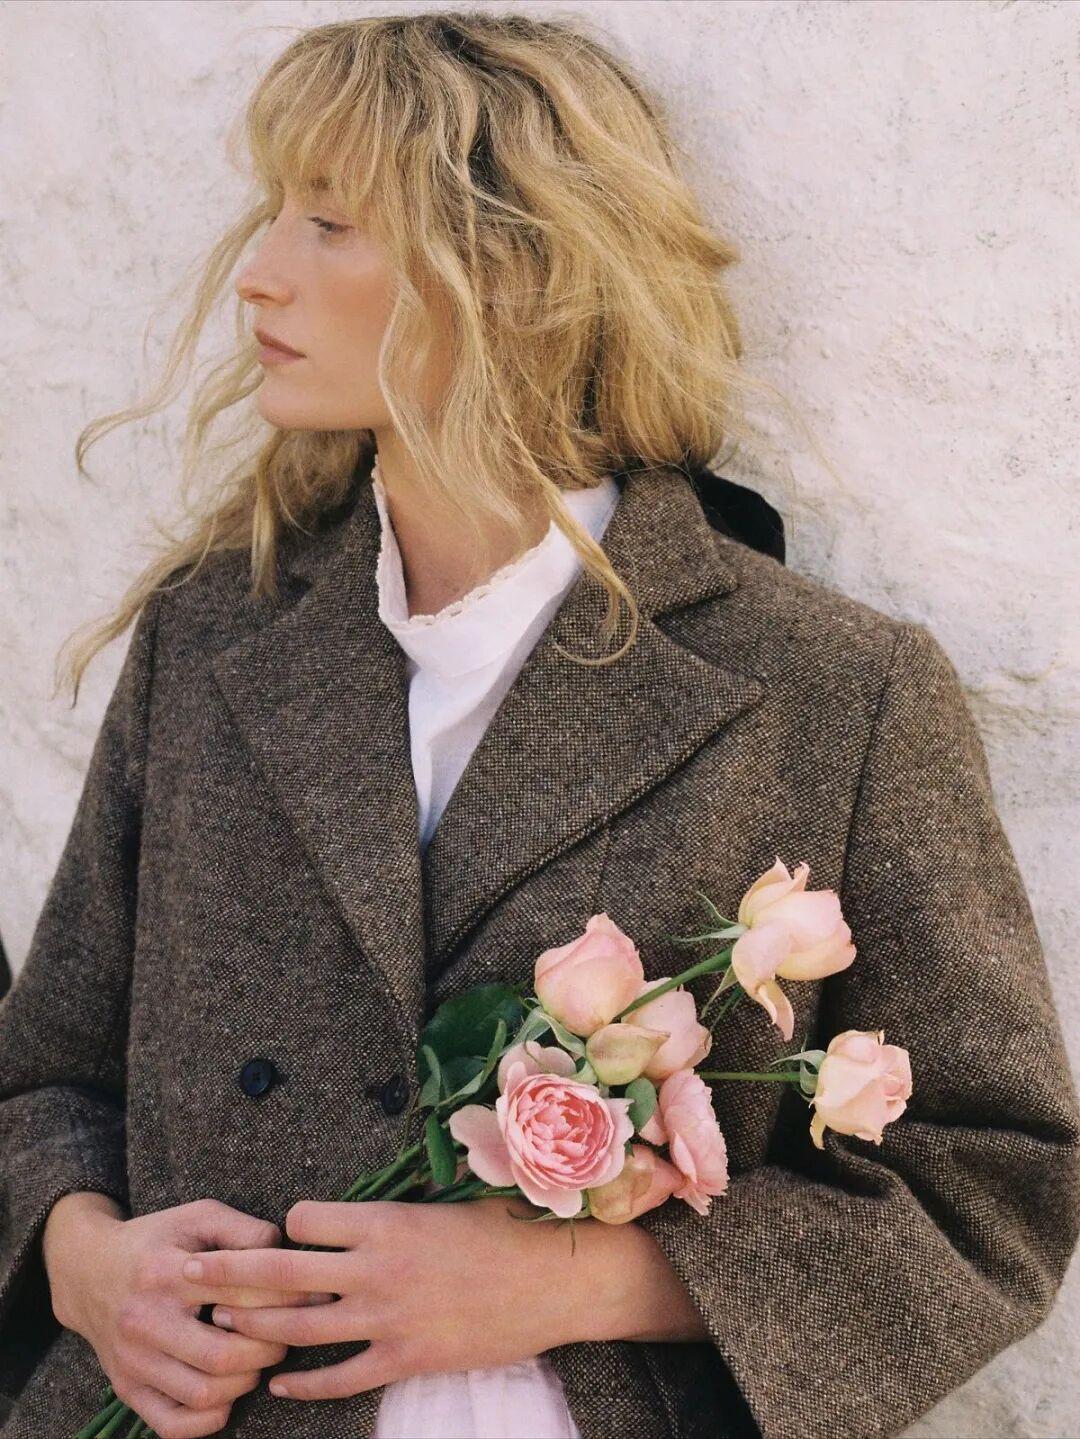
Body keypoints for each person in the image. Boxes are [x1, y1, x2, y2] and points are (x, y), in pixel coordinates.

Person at [2, 11, 1077, 1439]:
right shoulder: (210, 642)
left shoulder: (831, 689)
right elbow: (42, 1077)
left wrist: (578, 1281)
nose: (257, 272)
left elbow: (992, 1187)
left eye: (329, 222)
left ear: (513, 273)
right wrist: (87, 1266)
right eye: (275, 213)